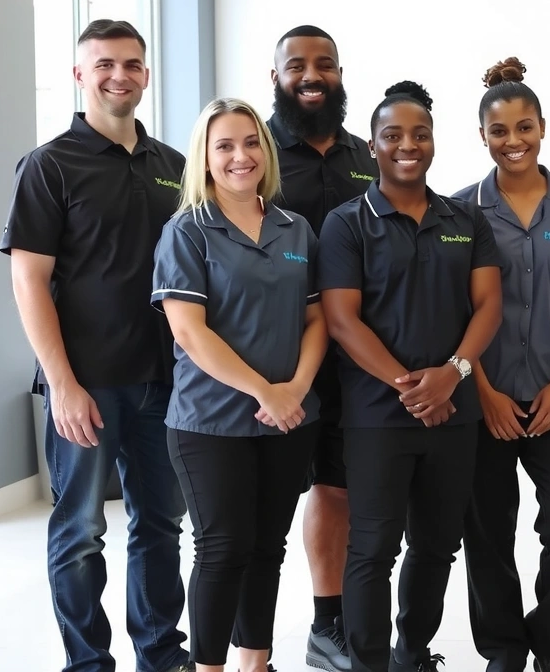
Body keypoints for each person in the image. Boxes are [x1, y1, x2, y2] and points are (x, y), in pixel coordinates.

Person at [1, 19, 192, 672]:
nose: (120, 75)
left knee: (162, 527)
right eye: (105, 64)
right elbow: (28, 279)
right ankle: (88, 664)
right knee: (81, 532)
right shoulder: (49, 164)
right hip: (86, 382)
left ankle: (161, 655)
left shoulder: (175, 167)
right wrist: (62, 384)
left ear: (146, 74)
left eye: (133, 64)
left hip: (167, 382)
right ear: (80, 75)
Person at [319, 81, 503, 672]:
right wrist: (413, 386)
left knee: (436, 546)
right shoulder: (348, 224)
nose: (408, 145)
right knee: (372, 548)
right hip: (377, 417)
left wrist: (451, 375)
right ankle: (367, 663)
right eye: (393, 135)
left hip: (455, 414)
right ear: (372, 147)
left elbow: (489, 307)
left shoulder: (466, 219)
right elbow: (343, 322)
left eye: (419, 134)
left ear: (433, 142)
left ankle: (411, 652)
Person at [151, 97, 326, 672]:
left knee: (266, 550)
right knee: (222, 549)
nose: (240, 156)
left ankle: (255, 663)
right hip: (210, 422)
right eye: (223, 145)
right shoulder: (187, 231)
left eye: (251, 143)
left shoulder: (294, 226)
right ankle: (208, 668)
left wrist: (296, 387)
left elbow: (316, 318)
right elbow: (190, 332)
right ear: (204, 157)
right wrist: (265, 392)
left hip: (289, 417)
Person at [453, 57, 550, 672]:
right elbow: (455, 310)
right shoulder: (459, 211)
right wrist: (481, 389)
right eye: (499, 131)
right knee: (486, 533)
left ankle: (548, 638)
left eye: (524, 128)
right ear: (482, 136)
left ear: (543, 128)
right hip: (485, 395)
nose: (513, 142)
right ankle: (504, 650)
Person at [265, 24, 379, 672]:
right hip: (279, 361)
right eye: (297, 65)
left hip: (354, 359)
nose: (312, 75)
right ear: (275, 77)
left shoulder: (368, 154)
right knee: (265, 507)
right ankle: (249, 643)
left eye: (325, 64)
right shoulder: (260, 157)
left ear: (339, 74)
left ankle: (330, 626)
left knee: (339, 490)